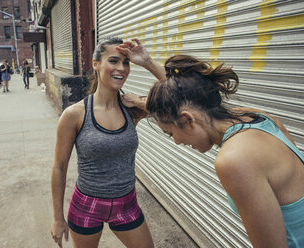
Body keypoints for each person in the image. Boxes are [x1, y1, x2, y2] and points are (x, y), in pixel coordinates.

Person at [121, 42, 304, 247]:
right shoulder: (259, 118)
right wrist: (148, 64)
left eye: (171, 133)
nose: (177, 141)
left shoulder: (233, 160)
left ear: (188, 120)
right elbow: (186, 99)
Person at [50, 37, 164, 248]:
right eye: (113, 61)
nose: (121, 68)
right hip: (86, 205)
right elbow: (59, 167)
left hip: (127, 204)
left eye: (126, 62)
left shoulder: (132, 108)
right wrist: (58, 218)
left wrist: (147, 61)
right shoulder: (74, 115)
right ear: (96, 64)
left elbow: (181, 97)